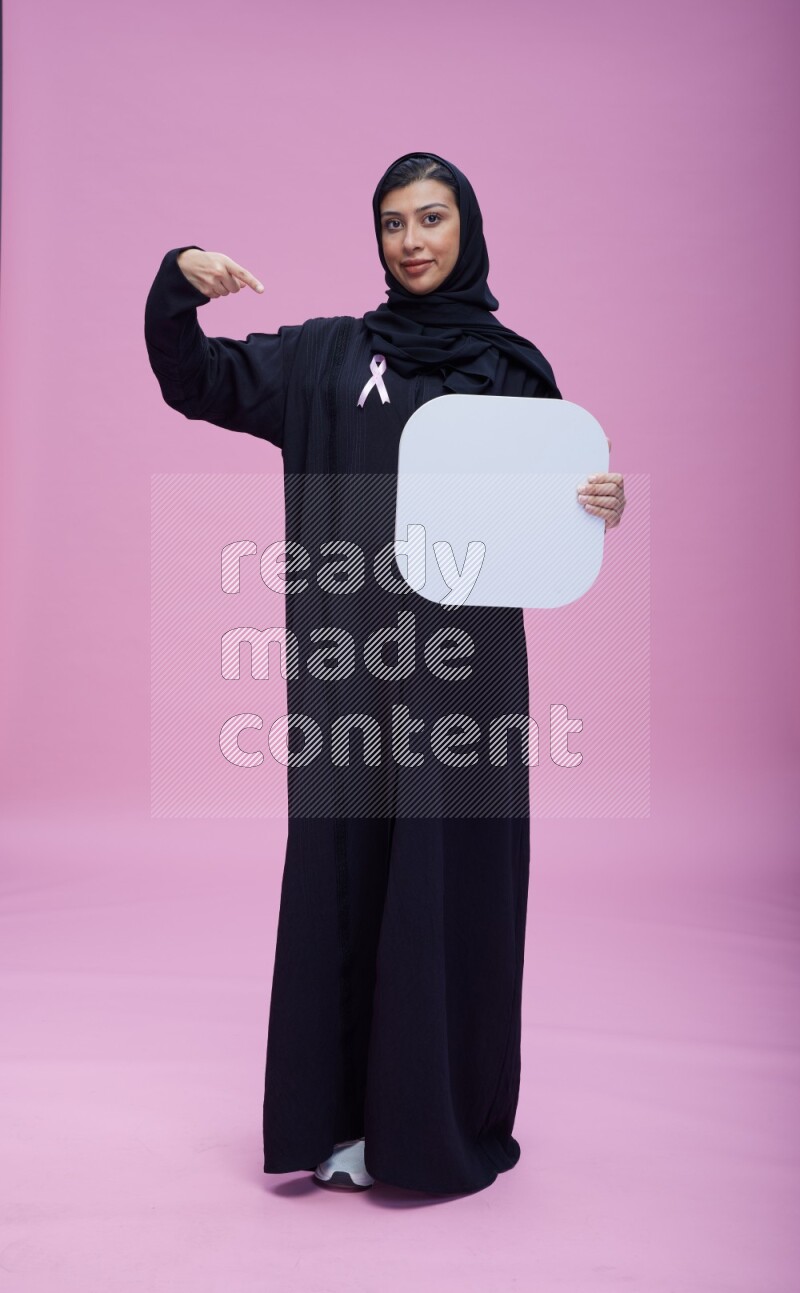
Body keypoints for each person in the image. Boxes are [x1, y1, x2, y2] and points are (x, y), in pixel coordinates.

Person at [144, 151, 626, 1197]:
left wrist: (591, 505)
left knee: (445, 893)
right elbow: (196, 379)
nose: (411, 241)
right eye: (392, 224)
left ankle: (430, 1127)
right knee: (351, 881)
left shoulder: (511, 370)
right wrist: (179, 281)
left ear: (467, 228)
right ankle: (338, 1123)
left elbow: (547, 518)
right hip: (352, 679)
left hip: (465, 692)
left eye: (431, 219)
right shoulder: (327, 358)